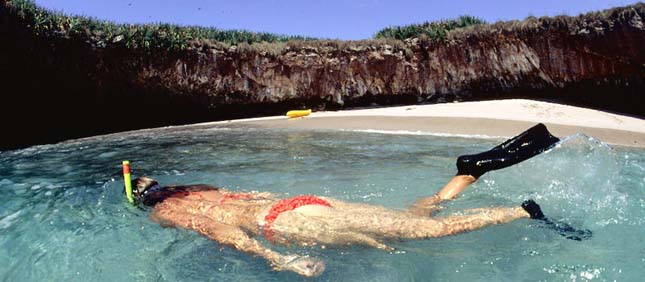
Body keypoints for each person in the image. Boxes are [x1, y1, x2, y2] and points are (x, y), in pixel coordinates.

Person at [126, 123, 588, 277]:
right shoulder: (202, 189)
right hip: (303, 204)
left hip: (288, 227)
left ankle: (523, 211)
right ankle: (468, 173)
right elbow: (256, 198)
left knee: (421, 233)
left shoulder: (170, 212)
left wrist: (277, 260)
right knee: (409, 218)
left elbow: (224, 234)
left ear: (144, 203)